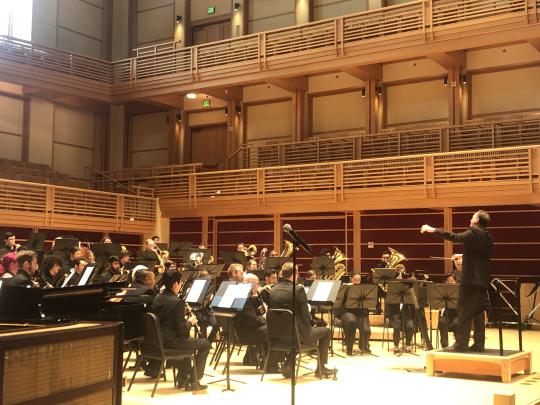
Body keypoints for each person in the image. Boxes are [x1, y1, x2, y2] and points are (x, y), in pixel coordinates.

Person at [421, 209, 492, 352]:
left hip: (470, 280)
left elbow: (454, 236)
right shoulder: (487, 235)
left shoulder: (472, 232)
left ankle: (461, 344)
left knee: (464, 312)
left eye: (472, 217)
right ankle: (479, 344)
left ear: (477, 220)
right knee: (477, 313)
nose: (470, 219)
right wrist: (463, 254)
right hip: (482, 280)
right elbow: (481, 255)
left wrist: (432, 229)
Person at [268, 262, 335, 378]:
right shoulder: (298, 290)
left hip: (276, 336)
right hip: (295, 336)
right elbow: (304, 317)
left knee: (297, 332)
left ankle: (288, 364)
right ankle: (321, 368)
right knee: (325, 332)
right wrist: (311, 326)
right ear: (294, 275)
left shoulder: (274, 289)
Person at [151, 269, 210, 391]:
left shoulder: (158, 297)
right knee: (205, 344)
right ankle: (194, 380)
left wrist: (182, 317)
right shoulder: (177, 302)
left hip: (158, 340)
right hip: (171, 341)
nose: (181, 285)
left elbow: (168, 319)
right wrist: (190, 322)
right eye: (181, 283)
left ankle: (183, 378)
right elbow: (181, 330)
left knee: (189, 342)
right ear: (175, 284)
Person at [340, 273, 371, 355]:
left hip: (360, 312)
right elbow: (340, 302)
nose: (357, 281)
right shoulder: (346, 287)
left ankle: (363, 345)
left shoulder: (363, 288)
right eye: (355, 280)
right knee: (351, 322)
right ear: (351, 279)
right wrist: (346, 287)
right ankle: (349, 348)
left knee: (366, 330)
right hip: (348, 311)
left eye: (359, 280)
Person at [438, 273, 458, 348]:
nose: (449, 282)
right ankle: (444, 345)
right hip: (447, 314)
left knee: (457, 322)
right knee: (442, 321)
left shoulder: (459, 290)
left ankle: (458, 342)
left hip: (457, 314)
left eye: (451, 281)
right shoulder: (444, 291)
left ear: (455, 281)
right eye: (448, 281)